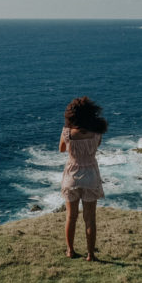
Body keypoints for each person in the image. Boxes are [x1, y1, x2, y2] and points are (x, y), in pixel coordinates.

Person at [59, 96, 107, 261]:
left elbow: (61, 149)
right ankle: (90, 255)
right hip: (91, 175)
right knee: (90, 218)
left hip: (72, 176)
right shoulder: (97, 133)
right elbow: (95, 147)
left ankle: (70, 251)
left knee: (71, 217)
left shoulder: (67, 132)